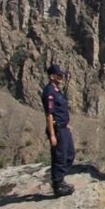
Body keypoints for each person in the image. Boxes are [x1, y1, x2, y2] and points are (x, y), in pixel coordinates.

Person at [41, 64, 75, 197]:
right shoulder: (49, 92)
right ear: (52, 76)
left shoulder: (57, 91)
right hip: (57, 129)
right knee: (59, 157)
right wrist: (52, 134)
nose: (62, 77)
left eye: (62, 75)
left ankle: (60, 179)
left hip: (63, 127)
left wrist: (66, 124)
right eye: (59, 75)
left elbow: (61, 110)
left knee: (70, 155)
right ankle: (57, 185)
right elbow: (49, 115)